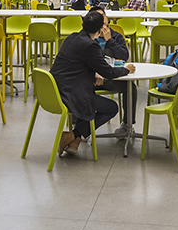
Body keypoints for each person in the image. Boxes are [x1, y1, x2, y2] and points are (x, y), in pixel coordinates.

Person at [50, 10, 134, 157]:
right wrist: (126, 70)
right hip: (71, 94)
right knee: (111, 108)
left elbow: (78, 65)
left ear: (83, 24)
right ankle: (72, 135)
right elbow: (108, 72)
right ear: (100, 29)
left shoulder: (72, 38)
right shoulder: (90, 45)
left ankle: (74, 139)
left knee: (91, 96)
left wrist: (94, 73)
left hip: (55, 90)